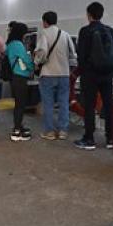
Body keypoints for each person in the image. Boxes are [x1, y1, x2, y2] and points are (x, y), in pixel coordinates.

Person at [75, 2, 113, 151]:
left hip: (90, 75)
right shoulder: (110, 31)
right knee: (108, 105)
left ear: (89, 15)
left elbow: (81, 54)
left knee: (89, 106)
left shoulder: (85, 31)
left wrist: (82, 71)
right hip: (107, 74)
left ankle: (89, 138)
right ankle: (111, 138)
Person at [34, 11, 76, 140]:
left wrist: (36, 62)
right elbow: (73, 55)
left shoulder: (44, 33)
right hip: (64, 74)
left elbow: (42, 52)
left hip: (48, 74)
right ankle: (63, 131)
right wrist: (69, 67)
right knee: (63, 102)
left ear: (45, 22)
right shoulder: (65, 34)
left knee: (48, 103)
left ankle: (49, 131)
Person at [6, 21, 34, 141]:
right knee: (20, 105)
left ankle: (19, 126)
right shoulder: (17, 44)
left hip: (15, 76)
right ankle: (16, 131)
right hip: (20, 76)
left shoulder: (10, 44)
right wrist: (32, 67)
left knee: (19, 103)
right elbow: (26, 59)